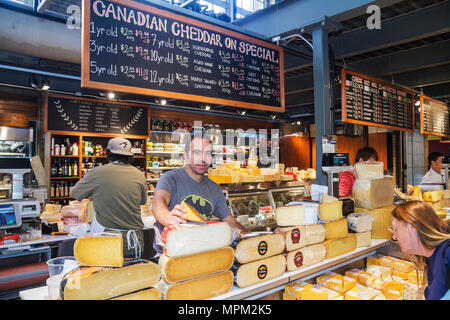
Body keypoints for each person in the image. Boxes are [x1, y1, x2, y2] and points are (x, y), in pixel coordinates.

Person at [152, 134, 247, 256]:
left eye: (208, 153)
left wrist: (252, 239)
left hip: (201, 252)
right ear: (186, 156)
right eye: (197, 152)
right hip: (170, 255)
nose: (203, 158)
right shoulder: (170, 178)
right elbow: (158, 202)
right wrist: (167, 218)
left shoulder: (214, 188)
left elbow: (230, 221)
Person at [70, 137, 147, 258]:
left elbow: (74, 193)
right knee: (133, 276)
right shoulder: (139, 175)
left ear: (108, 153)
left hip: (107, 243)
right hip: (134, 243)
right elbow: (142, 201)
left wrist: (95, 193)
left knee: (106, 276)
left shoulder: (97, 173)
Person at [390, 200, 450, 300]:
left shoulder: (447, 252)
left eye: (396, 229)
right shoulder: (429, 256)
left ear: (413, 227)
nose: (394, 237)